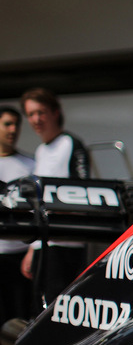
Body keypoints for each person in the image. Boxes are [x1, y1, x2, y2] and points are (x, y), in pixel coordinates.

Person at [20, 87, 91, 307]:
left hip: (66, 243)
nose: (36, 119)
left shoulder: (71, 144)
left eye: (41, 112)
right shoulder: (41, 150)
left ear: (55, 113)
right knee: (40, 307)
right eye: (31, 114)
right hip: (44, 243)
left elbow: (84, 193)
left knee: (59, 308)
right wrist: (33, 248)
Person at [0, 106, 36, 320]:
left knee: (19, 316)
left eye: (16, 125)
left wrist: (32, 250)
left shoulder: (30, 165)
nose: (13, 130)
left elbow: (38, 210)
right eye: (7, 124)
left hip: (19, 256)